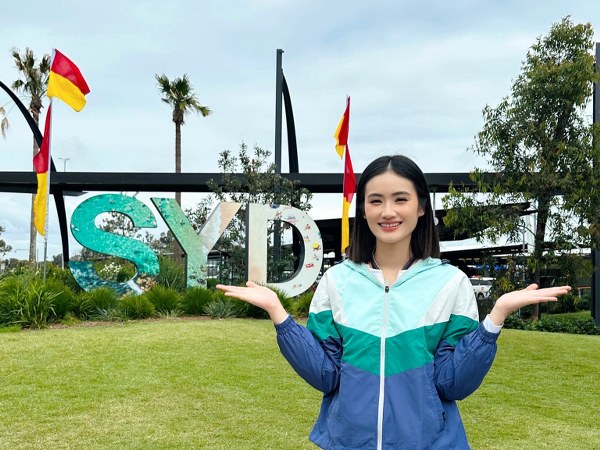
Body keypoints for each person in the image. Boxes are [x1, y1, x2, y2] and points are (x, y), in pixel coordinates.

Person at [217, 154, 571, 450]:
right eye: (376, 200)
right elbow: (326, 376)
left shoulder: (451, 283)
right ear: (363, 209)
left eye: (401, 199)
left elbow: (453, 383)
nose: (388, 211)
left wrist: (495, 318)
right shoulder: (336, 281)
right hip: (348, 442)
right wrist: (278, 313)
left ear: (421, 207)